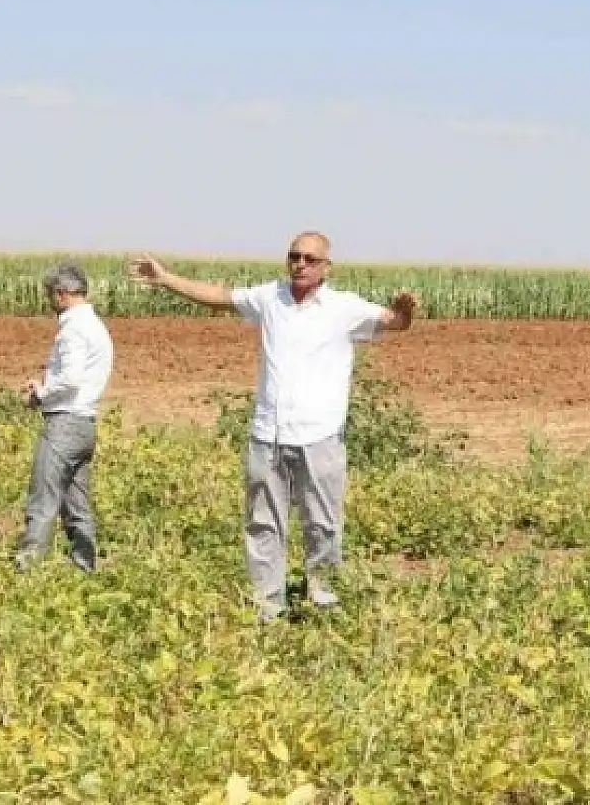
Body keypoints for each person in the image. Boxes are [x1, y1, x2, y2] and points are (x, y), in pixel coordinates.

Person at [127, 232, 418, 622]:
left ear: (326, 267)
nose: (300, 264)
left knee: (322, 524)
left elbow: (393, 322)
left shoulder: (343, 308)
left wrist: (404, 313)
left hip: (319, 437)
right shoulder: (269, 298)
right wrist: (166, 279)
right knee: (263, 524)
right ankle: (268, 610)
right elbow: (220, 297)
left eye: (310, 259)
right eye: (294, 256)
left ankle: (323, 602)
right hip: (269, 435)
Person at [15, 261, 115, 573]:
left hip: (64, 424)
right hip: (85, 424)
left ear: (60, 294)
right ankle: (84, 569)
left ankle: (27, 572)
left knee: (43, 498)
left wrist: (41, 393)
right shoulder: (97, 327)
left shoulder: (73, 329)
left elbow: (70, 379)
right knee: (77, 506)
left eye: (50, 295)